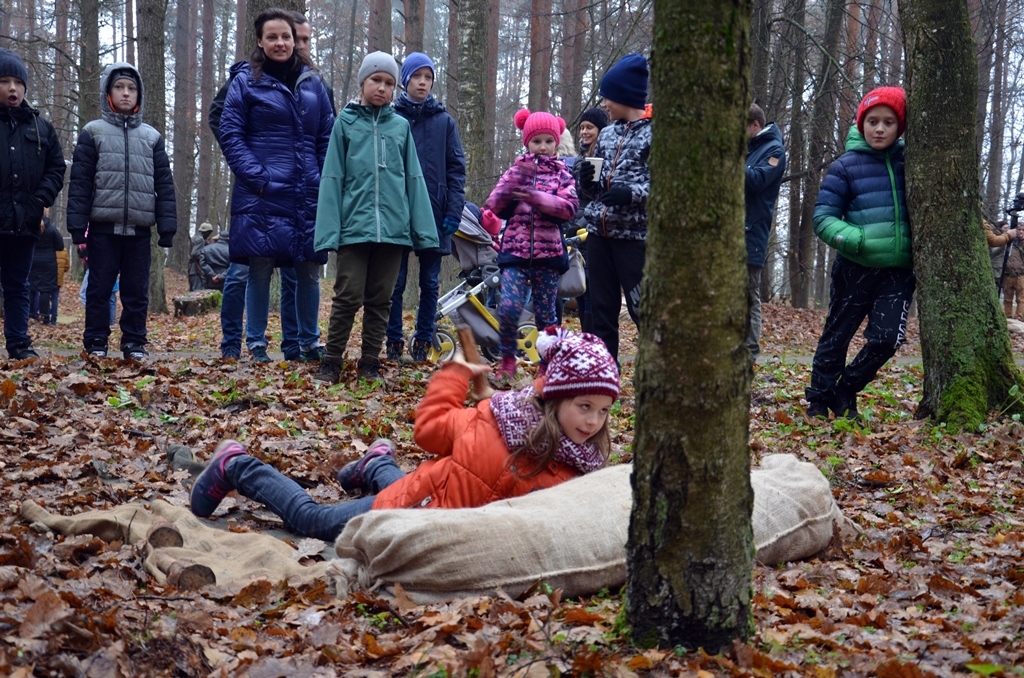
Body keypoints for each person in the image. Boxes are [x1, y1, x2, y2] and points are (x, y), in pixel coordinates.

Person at [190, 329, 620, 541]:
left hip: (443, 522)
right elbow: (430, 429)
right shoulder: (493, 420)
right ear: (552, 399)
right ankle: (238, 465)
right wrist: (454, 375)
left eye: (603, 411)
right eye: (584, 407)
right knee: (311, 521)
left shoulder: (583, 467)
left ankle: (377, 462)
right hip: (412, 506)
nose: (592, 422)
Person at [210, 11, 331, 362]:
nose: (281, 43)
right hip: (262, 189)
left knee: (309, 268)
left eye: (286, 37)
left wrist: (322, 179)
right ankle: (256, 343)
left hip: (307, 191)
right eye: (273, 37)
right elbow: (231, 133)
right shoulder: (246, 81)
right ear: (260, 42)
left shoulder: (313, 83)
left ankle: (309, 342)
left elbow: (326, 135)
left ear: (295, 40)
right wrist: (258, 177)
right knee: (259, 266)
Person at [313, 51, 438, 383]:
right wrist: (328, 232)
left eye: (388, 83)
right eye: (376, 81)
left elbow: (414, 178)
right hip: (354, 228)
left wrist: (423, 232)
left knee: (382, 298)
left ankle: (370, 362)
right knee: (347, 295)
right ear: (363, 83)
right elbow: (332, 178)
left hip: (394, 231)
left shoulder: (400, 127)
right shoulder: (346, 123)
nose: (382, 88)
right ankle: (331, 360)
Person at [805, 86, 913, 420]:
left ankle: (846, 389)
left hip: (898, 272)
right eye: (872, 121)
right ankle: (819, 400)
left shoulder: (912, 162)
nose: (879, 129)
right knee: (837, 334)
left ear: (900, 126)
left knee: (887, 339)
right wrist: (858, 239)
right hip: (854, 266)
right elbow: (822, 218)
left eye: (888, 122)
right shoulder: (846, 166)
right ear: (861, 124)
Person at [67, 62, 177, 360]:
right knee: (100, 289)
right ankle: (96, 341)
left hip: (140, 231)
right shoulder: (93, 132)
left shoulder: (151, 137)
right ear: (108, 93)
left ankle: (134, 342)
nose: (126, 93)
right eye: (119, 87)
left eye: (131, 88)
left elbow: (164, 186)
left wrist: (167, 227)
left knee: (136, 291)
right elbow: (80, 183)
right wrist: (78, 228)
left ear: (139, 93)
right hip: (103, 228)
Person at [385, 52, 467, 364]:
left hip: (436, 211)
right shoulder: (393, 118)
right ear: (405, 81)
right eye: (417, 76)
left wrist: (453, 212)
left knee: (430, 283)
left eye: (428, 77)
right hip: (399, 213)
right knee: (396, 281)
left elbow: (456, 169)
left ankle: (423, 339)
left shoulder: (445, 122)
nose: (423, 82)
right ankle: (393, 341)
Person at [486, 108, 578, 379]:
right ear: (526, 142)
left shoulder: (562, 174)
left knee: (546, 316)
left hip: (548, 258)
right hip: (514, 254)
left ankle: (547, 366)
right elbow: (494, 206)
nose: (543, 147)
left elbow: (569, 208)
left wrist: (537, 197)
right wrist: (516, 181)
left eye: (549, 141)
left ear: (556, 142)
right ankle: (506, 358)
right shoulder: (515, 170)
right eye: (537, 141)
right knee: (509, 307)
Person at [578, 53, 652, 364]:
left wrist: (631, 194)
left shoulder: (654, 133)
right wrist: (586, 182)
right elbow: (595, 188)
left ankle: (656, 373)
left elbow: (663, 186)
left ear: (625, 95)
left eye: (608, 96)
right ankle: (604, 376)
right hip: (598, 234)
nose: (604, 103)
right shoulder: (607, 134)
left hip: (633, 238)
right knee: (600, 312)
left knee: (642, 309)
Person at [0, 48, 65, 359]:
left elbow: (56, 167)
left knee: (17, 286)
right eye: (4, 81)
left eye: (18, 82)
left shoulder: (41, 128)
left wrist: (40, 199)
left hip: (24, 222)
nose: (12, 88)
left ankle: (19, 345)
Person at [744, 103, 787, 361]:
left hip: (752, 233)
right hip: (738, 231)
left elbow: (757, 180)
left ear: (755, 125)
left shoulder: (774, 150)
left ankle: (749, 353)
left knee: (749, 295)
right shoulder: (752, 149)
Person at [569, 107, 609, 333]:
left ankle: (595, 340)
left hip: (591, 231)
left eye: (589, 127)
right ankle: (586, 339)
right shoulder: (580, 160)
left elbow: (597, 197)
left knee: (593, 290)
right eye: (582, 127)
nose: (584, 131)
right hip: (575, 231)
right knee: (581, 290)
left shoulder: (603, 159)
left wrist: (582, 224)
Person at [29, 215, 66, 325]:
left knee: (32, 287)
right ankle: (45, 316)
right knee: (46, 289)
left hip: (33, 259)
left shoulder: (31, 227)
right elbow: (60, 246)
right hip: (48, 262)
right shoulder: (52, 229)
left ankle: (30, 314)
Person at [188, 222, 214, 291]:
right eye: (209, 232)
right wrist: (205, 258)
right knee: (197, 291)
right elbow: (195, 253)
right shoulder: (200, 239)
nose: (209, 235)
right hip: (196, 268)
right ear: (205, 232)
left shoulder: (194, 238)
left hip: (192, 268)